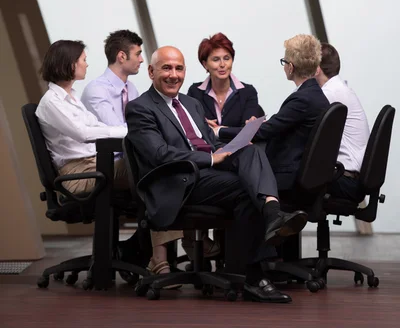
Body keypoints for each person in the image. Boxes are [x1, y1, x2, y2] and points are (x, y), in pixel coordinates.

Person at [125, 46, 309, 303]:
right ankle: (252, 275)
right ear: (151, 71)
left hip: (207, 172)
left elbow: (207, 141)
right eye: (166, 68)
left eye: (179, 68)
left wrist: (224, 150)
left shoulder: (191, 103)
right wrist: (211, 158)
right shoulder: (140, 108)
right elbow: (159, 154)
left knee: (251, 150)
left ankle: (270, 215)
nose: (173, 74)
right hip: (177, 181)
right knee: (246, 189)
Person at [81, 29, 182, 283]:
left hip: (130, 161)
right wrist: (155, 135)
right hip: (108, 163)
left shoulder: (132, 88)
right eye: (138, 54)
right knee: (160, 173)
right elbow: (125, 133)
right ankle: (161, 256)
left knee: (166, 168)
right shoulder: (97, 90)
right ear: (122, 55)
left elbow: (145, 127)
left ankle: (143, 253)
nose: (141, 60)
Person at [35, 40, 141, 264]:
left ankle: (140, 249)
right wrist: (131, 133)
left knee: (150, 169)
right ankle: (142, 250)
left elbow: (96, 125)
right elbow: (83, 132)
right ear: (69, 64)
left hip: (93, 165)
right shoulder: (51, 103)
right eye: (83, 60)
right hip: (78, 174)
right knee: (147, 169)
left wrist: (129, 131)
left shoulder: (71, 97)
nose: (87, 64)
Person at [214, 34, 330, 191]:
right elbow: (277, 125)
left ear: (291, 67)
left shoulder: (302, 99)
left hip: (284, 174)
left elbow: (264, 131)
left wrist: (219, 131)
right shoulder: (316, 95)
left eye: (284, 62)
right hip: (300, 172)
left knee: (229, 181)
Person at [315, 43, 369, 203]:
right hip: (351, 177)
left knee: (283, 174)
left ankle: (279, 225)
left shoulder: (329, 94)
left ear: (316, 68)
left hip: (344, 179)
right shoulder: (340, 89)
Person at [187, 32, 264, 132]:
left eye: (227, 58)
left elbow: (245, 132)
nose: (222, 64)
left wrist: (217, 130)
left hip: (240, 147)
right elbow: (191, 128)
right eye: (216, 59)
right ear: (205, 64)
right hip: (208, 147)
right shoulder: (195, 92)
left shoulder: (248, 92)